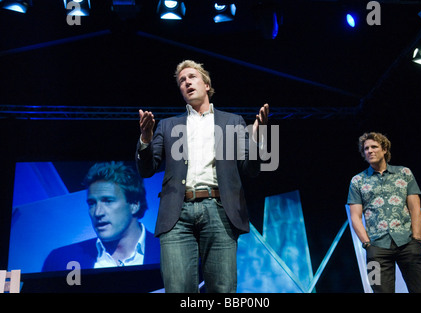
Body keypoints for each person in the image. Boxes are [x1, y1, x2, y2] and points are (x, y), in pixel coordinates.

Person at [136, 60, 269, 292]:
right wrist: (145, 139)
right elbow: (147, 169)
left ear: (206, 84)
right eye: (181, 81)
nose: (186, 82)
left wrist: (258, 139)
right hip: (177, 215)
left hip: (220, 210)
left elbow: (251, 170)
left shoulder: (233, 121)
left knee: (223, 290)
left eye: (192, 77)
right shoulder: (167, 126)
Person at [347, 132, 421, 293]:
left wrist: (417, 238)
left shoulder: (404, 173)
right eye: (366, 149)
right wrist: (367, 245)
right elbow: (355, 217)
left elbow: (415, 208)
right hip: (375, 250)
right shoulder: (357, 180)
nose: (369, 151)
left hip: (408, 243)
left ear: (384, 149)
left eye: (374, 147)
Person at [42, 161, 160, 271]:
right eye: (92, 203)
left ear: (134, 205)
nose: (98, 213)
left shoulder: (173, 252)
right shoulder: (60, 260)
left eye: (108, 201)